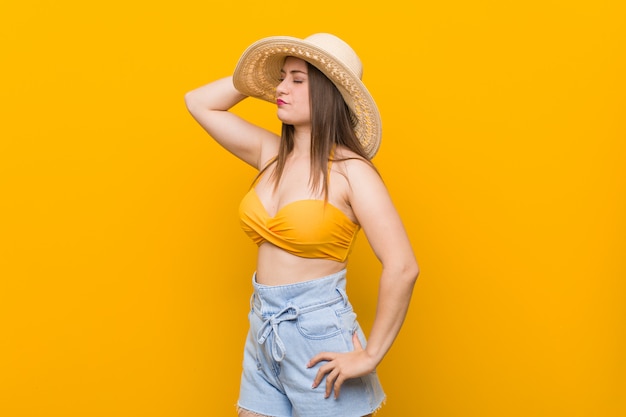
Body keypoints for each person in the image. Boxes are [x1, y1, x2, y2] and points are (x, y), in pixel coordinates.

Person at [185, 33, 419, 417]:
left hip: (319, 334)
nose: (281, 88)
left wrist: (371, 355)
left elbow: (403, 266)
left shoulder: (351, 172)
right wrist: (257, 76)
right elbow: (199, 103)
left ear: (328, 94)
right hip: (264, 328)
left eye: (297, 80)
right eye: (280, 78)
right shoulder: (269, 154)